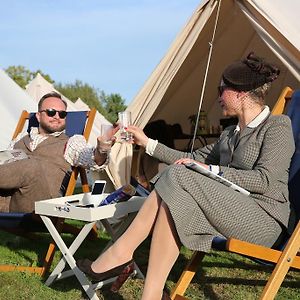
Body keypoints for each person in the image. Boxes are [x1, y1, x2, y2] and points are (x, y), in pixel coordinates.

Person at [76, 53, 295, 300]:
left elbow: (264, 180)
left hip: (265, 220)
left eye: (221, 89)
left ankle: (122, 252)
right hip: (232, 209)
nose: (218, 96)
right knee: (176, 201)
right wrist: (147, 143)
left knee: (179, 176)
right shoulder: (229, 135)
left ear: (240, 93)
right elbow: (189, 157)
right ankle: (152, 294)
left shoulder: (277, 126)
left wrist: (213, 171)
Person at [0, 92, 116, 213]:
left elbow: (92, 159)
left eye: (62, 114)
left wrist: (102, 149)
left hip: (39, 207)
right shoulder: (21, 138)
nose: (57, 117)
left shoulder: (72, 142)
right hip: (5, 201)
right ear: (39, 116)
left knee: (32, 166)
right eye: (51, 112)